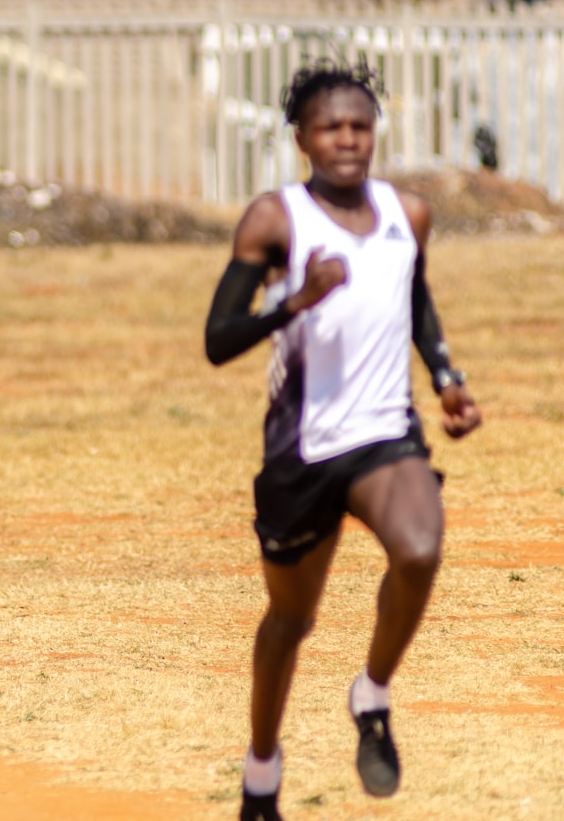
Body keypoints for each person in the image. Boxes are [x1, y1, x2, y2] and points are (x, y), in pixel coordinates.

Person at [203, 59, 482, 821]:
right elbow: (218, 339)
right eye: (332, 127)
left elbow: (413, 297)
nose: (349, 140)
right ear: (302, 139)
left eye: (360, 125)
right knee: (291, 620)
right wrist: (296, 299)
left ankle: (373, 694)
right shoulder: (276, 219)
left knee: (420, 548)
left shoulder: (408, 214)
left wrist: (447, 376)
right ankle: (261, 772)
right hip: (301, 451)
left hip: (386, 434)